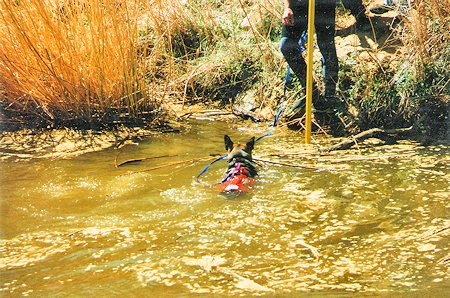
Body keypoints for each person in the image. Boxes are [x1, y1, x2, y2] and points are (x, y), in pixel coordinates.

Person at [280, 0, 339, 111]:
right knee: (286, 45)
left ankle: (330, 99)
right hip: (299, 3)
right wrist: (287, 7)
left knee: (327, 47)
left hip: (323, 4)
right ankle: (312, 94)